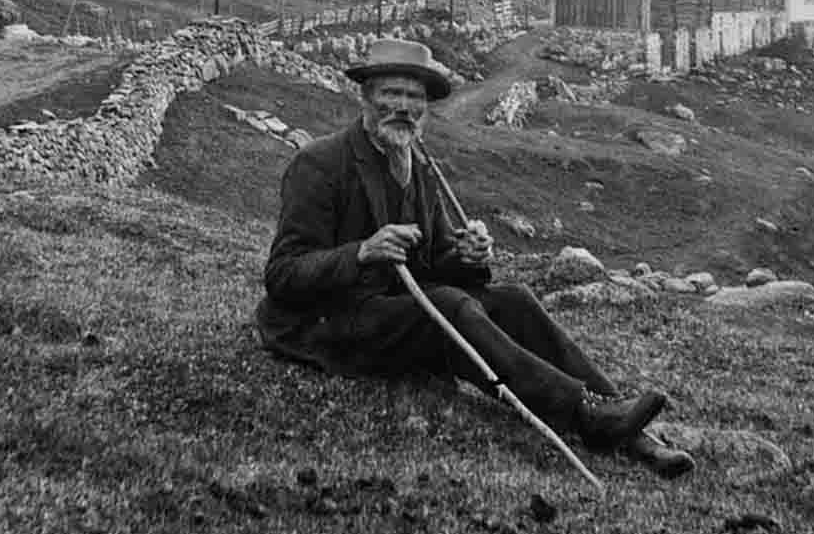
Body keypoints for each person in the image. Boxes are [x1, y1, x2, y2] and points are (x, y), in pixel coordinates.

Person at [255, 37, 694, 476]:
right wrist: (363, 252)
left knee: (514, 299)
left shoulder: (420, 167)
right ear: (365, 97)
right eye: (390, 93)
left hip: (397, 316)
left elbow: (436, 262)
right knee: (452, 305)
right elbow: (283, 275)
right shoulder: (320, 163)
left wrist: (467, 255)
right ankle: (582, 414)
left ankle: (628, 428)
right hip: (330, 324)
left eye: (414, 97)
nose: (403, 107)